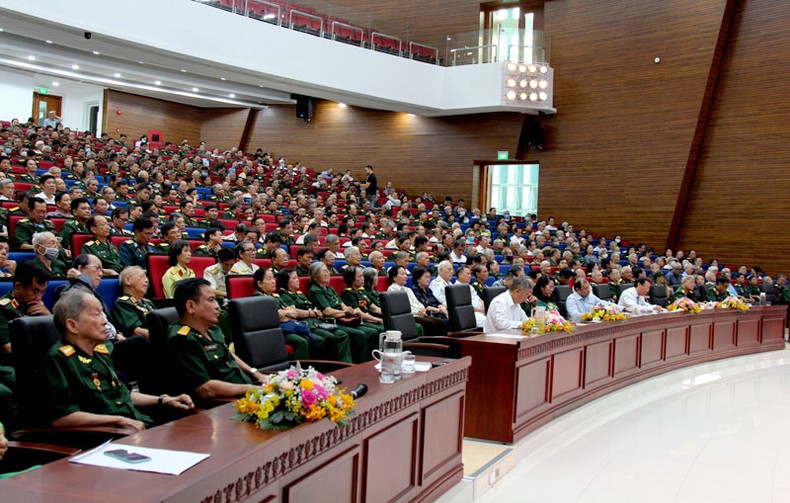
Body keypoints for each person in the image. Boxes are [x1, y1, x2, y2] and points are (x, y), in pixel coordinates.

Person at [41, 289, 193, 431]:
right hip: (106, 437)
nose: (104, 321)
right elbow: (62, 418)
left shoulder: (100, 353)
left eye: (103, 314)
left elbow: (123, 395)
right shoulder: (59, 359)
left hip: (136, 425)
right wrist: (117, 420)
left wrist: (163, 400)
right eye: (96, 315)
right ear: (72, 325)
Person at [165, 278, 264, 399]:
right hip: (225, 405)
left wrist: (256, 373)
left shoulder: (214, 330)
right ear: (191, 306)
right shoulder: (182, 340)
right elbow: (206, 389)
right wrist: (250, 389)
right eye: (211, 300)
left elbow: (227, 354)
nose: (217, 306)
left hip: (248, 391)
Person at [307, 262, 380, 363]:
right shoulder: (315, 290)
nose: (327, 274)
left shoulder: (330, 289)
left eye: (327, 271)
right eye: (323, 272)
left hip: (344, 318)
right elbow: (327, 311)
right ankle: (358, 363)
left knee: (370, 331)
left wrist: (349, 310)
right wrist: (346, 313)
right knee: (361, 334)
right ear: (315, 277)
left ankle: (370, 361)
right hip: (332, 321)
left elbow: (343, 305)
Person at [275, 268, 353, 363]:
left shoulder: (299, 293)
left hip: (316, 321)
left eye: (297, 277)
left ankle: (342, 364)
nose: (298, 280)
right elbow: (294, 312)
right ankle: (329, 366)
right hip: (306, 324)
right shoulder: (284, 295)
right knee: (328, 337)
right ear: (286, 281)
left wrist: (315, 312)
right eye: (294, 278)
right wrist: (311, 313)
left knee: (341, 335)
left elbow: (308, 307)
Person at [0, 261, 51, 362]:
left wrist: (49, 318)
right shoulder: (3, 309)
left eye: (43, 292)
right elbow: (9, 348)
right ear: (18, 287)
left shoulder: (40, 308)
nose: (39, 298)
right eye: (35, 291)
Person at [387, 265, 448, 336]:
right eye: (402, 274)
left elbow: (417, 302)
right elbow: (401, 307)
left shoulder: (408, 289)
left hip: (419, 313)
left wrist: (422, 308)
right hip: (410, 316)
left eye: (406, 274)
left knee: (440, 322)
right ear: (394, 277)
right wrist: (418, 311)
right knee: (430, 323)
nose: (405, 276)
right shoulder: (392, 289)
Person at [112, 266, 156, 339]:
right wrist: (163, 336)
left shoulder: (147, 302)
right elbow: (136, 332)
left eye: (146, 278)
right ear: (128, 280)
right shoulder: (124, 303)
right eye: (142, 277)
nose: (146, 281)